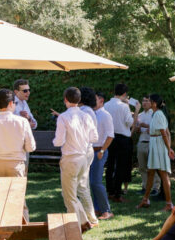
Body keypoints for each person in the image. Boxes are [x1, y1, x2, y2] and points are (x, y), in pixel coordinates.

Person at [53, 87, 99, 232]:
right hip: (83, 157)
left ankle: (75, 227)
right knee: (75, 191)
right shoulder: (86, 116)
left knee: (69, 196)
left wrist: (55, 141)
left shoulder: (63, 117)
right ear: (79, 100)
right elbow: (94, 138)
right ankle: (85, 221)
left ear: (65, 99)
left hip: (71, 158)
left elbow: (59, 141)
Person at [0, 88, 35, 178]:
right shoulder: (23, 122)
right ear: (11, 103)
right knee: (15, 192)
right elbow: (31, 147)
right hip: (16, 165)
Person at [104, 83, 137, 202]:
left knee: (110, 165)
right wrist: (136, 111)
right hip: (122, 139)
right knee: (120, 167)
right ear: (124, 94)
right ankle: (117, 194)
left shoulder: (106, 105)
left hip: (110, 138)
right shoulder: (124, 107)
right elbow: (130, 123)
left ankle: (110, 191)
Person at [142, 93, 175, 211]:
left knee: (163, 174)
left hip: (159, 145)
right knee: (151, 172)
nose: (148, 102)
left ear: (154, 104)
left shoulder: (159, 114)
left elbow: (164, 132)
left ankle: (169, 204)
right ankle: (145, 199)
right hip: (155, 143)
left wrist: (168, 148)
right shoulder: (156, 114)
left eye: (149, 101)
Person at [91, 92, 115, 220]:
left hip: (100, 151)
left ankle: (107, 210)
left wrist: (102, 151)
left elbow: (110, 135)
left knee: (96, 182)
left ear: (101, 100)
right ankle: (97, 208)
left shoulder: (105, 115)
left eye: (94, 99)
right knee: (92, 182)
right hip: (92, 151)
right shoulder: (93, 114)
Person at [134, 95, 154, 199]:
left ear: (151, 103)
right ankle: (145, 186)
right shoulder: (140, 115)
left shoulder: (154, 114)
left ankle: (155, 188)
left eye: (147, 101)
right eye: (143, 101)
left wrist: (145, 126)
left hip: (152, 142)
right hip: (142, 141)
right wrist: (138, 128)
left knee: (152, 167)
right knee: (142, 167)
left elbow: (156, 128)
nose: (145, 103)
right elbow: (138, 129)